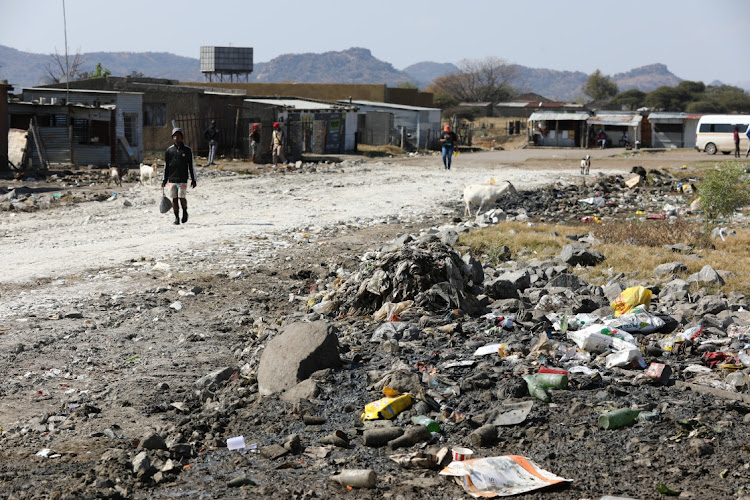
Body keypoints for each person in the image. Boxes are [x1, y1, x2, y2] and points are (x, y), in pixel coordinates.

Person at [163, 127, 197, 225]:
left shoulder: (187, 150)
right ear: (172, 137)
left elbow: (191, 165)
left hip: (182, 179)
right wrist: (164, 180)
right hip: (172, 179)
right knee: (174, 199)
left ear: (182, 137)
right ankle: (176, 217)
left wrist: (193, 179)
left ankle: (185, 212)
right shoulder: (169, 151)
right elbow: (166, 166)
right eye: (174, 136)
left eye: (178, 135)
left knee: (182, 197)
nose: (176, 137)